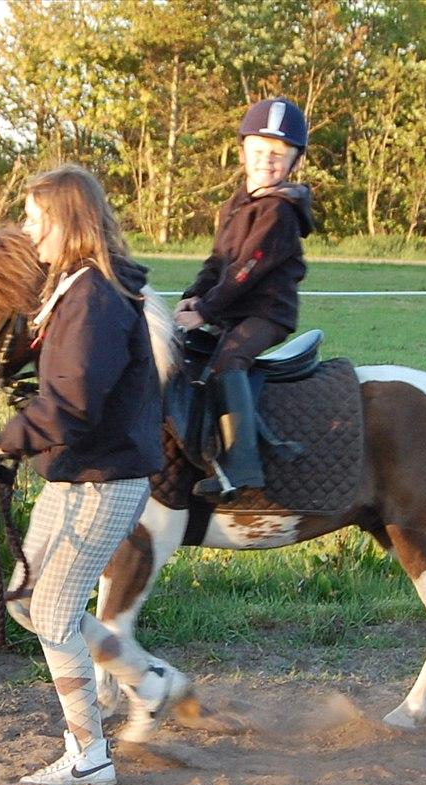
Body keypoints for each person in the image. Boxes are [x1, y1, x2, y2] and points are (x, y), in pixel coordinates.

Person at [0, 165, 188, 785]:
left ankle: (89, 755)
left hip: (101, 482)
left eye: (37, 220)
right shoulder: (80, 289)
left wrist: (1, 447)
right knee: (28, 602)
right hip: (78, 474)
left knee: (54, 613)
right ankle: (146, 681)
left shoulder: (93, 298)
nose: (30, 233)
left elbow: (74, 401)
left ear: (69, 220)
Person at [173, 97, 314, 499]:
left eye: (277, 155)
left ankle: (242, 467)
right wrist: (192, 296)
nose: (266, 161)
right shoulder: (236, 204)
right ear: (243, 151)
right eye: (258, 151)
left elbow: (246, 270)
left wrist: (204, 310)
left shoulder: (279, 211)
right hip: (233, 306)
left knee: (228, 361)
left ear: (292, 162)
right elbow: (219, 260)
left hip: (265, 311)